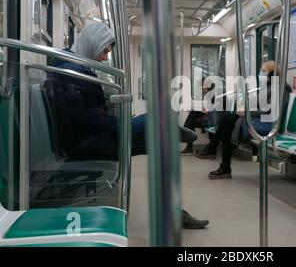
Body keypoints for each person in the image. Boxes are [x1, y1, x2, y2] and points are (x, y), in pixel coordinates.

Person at [46, 21, 208, 229]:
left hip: (88, 137)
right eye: (104, 51)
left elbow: (87, 114)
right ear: (92, 42)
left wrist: (115, 120)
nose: (104, 57)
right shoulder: (70, 70)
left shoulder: (74, 66)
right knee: (155, 120)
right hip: (85, 143)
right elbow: (83, 119)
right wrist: (117, 122)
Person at [194, 61, 292, 179]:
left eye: (264, 71)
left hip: (268, 125)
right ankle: (218, 157)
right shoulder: (267, 88)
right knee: (227, 121)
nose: (261, 73)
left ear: (272, 74)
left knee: (227, 123)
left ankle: (217, 156)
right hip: (257, 120)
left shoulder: (280, 90)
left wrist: (246, 112)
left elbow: (269, 112)